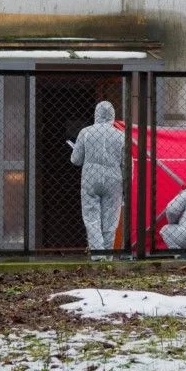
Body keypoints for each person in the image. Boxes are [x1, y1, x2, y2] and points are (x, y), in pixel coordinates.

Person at [71, 101, 125, 257]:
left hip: (90, 178)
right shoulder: (120, 136)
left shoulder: (86, 132)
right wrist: (126, 185)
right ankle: (107, 254)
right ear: (113, 116)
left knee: (91, 217)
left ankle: (97, 254)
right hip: (114, 178)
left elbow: (75, 159)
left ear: (96, 114)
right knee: (110, 219)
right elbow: (126, 164)